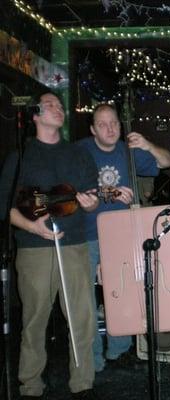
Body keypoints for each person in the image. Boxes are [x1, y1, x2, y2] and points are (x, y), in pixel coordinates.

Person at [0, 92, 100, 399]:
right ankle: (30, 384)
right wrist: (32, 226)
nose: (59, 108)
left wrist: (92, 202)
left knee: (81, 318)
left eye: (60, 104)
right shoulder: (21, 155)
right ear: (35, 115)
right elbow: (6, 205)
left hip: (74, 245)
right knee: (34, 320)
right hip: (33, 248)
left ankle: (82, 382)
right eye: (51, 105)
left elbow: (92, 200)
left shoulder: (78, 154)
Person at [77, 103, 170, 372]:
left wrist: (147, 144)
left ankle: (118, 353)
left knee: (121, 293)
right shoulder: (81, 151)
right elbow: (72, 189)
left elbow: (168, 161)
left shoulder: (128, 151)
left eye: (114, 123)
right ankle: (91, 360)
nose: (110, 129)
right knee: (85, 299)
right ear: (93, 129)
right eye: (103, 124)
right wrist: (109, 192)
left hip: (122, 234)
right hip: (87, 234)